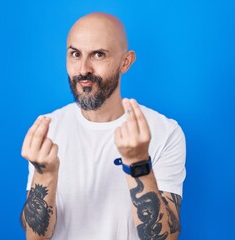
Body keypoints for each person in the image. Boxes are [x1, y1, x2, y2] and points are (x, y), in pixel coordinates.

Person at [20, 12, 186, 240]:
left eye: (98, 55)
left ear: (125, 62)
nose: (83, 69)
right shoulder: (48, 130)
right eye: (75, 54)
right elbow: (35, 236)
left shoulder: (164, 132)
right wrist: (45, 174)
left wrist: (138, 164)